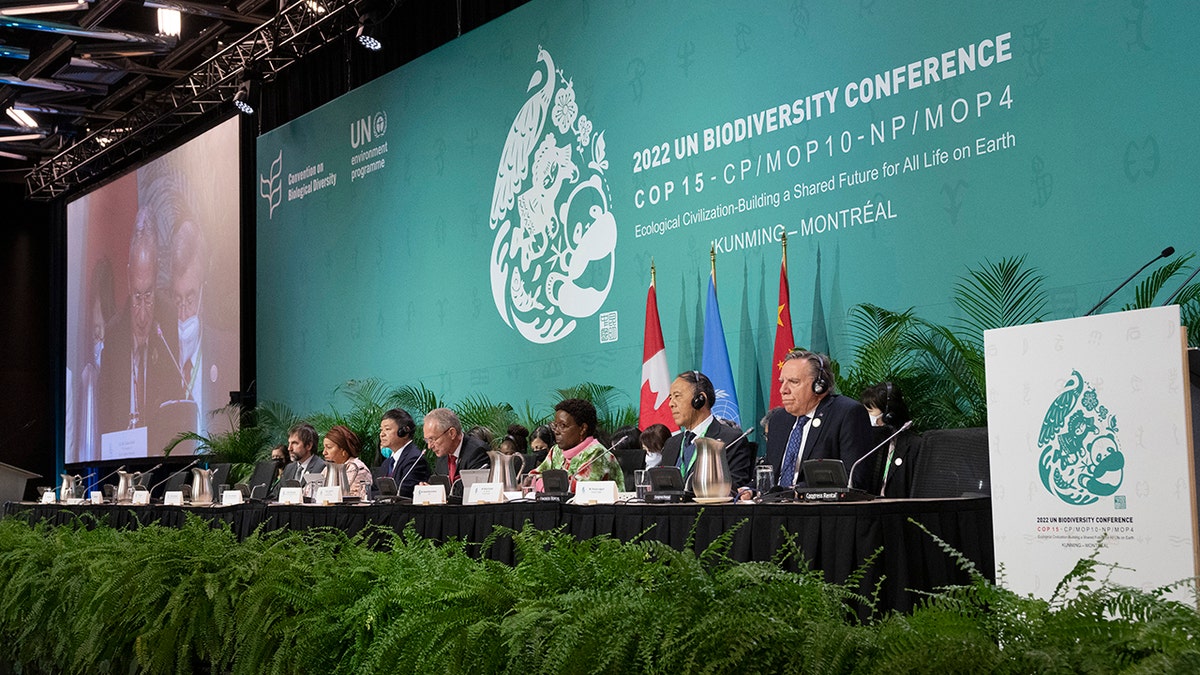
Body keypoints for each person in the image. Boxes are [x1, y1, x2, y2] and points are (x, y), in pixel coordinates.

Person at [99, 218, 174, 435]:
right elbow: (105, 410)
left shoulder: (168, 320)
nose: (142, 316)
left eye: (148, 296)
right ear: (129, 279)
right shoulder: (114, 332)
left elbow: (172, 397)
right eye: (137, 296)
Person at [765, 349, 874, 490]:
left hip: (819, 508)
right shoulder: (779, 420)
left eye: (793, 382)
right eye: (782, 382)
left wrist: (793, 491)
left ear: (819, 386)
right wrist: (749, 490)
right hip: (774, 506)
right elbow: (768, 475)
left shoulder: (846, 413)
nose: (783, 390)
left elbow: (853, 478)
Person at [170, 216, 236, 430]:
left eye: (189, 299)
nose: (183, 312)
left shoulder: (227, 351)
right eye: (177, 298)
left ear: (202, 292)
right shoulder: (160, 351)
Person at [661, 371, 752, 494]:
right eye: (670, 398)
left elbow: (733, 488)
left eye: (677, 396)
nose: (671, 404)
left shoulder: (731, 440)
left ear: (700, 399)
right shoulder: (671, 444)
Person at [529, 398, 623, 489]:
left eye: (563, 425)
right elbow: (532, 477)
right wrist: (545, 485)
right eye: (555, 425)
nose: (556, 431)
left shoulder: (597, 453)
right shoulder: (556, 451)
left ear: (582, 429)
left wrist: (546, 484)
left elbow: (579, 489)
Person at [859, 381, 920, 498]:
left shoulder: (913, 445)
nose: (865, 416)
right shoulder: (866, 442)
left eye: (870, 412)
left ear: (889, 415)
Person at [423, 408, 490, 486]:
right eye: (427, 440)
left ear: (452, 433)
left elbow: (471, 491)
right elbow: (439, 486)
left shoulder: (477, 452)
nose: (429, 446)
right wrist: (429, 490)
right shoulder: (442, 455)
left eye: (433, 439)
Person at [377, 408, 430, 498]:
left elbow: (404, 492)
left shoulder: (415, 459)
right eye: (381, 430)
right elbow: (376, 488)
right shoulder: (387, 462)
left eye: (387, 429)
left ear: (404, 432)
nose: (382, 434)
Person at [273, 422, 327, 497]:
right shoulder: (289, 468)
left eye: (295, 443)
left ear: (308, 446)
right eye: (289, 443)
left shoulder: (321, 467)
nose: (289, 448)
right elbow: (276, 495)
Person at [322, 424, 372, 497]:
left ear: (343, 451)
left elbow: (356, 498)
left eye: (329, 447)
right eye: (324, 448)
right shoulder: (328, 469)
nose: (324, 452)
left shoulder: (359, 470)